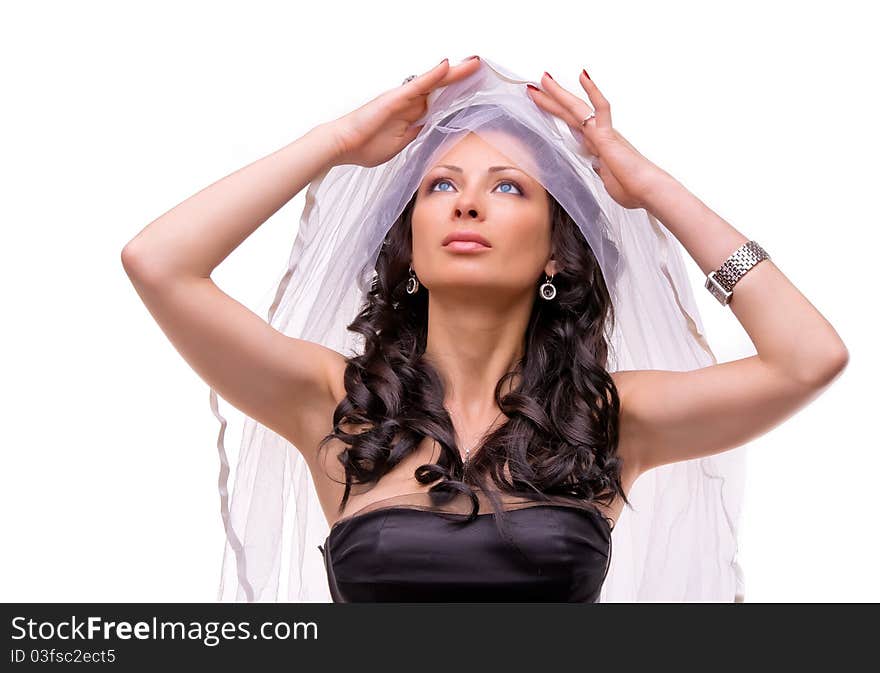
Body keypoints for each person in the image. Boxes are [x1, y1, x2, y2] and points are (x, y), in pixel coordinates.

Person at [121, 55, 849, 602]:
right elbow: (157, 262)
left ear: (558, 254)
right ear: (410, 248)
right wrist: (338, 140)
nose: (466, 204)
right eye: (441, 185)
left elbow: (808, 358)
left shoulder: (608, 419)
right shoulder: (334, 404)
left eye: (507, 186)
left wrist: (650, 187)